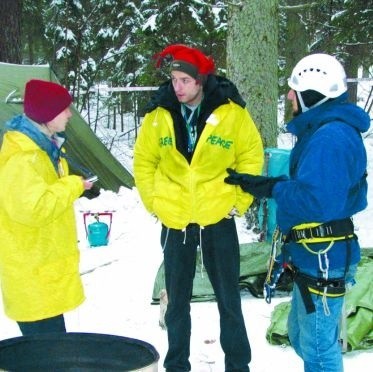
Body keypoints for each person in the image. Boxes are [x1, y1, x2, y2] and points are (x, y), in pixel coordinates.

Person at [225, 53, 370, 372]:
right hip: (313, 255)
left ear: (312, 94)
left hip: (323, 257)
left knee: (318, 351)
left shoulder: (330, 137)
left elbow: (318, 202)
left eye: (294, 90)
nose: (289, 96)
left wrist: (273, 189)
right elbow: (315, 188)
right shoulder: (323, 133)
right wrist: (266, 184)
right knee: (302, 338)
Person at [133, 44, 264, 372]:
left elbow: (251, 156)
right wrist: (155, 203)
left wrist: (239, 201)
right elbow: (144, 162)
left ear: (200, 81)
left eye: (184, 81)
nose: (177, 87)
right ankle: (176, 365)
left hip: (217, 218)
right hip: (175, 221)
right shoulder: (159, 115)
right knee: (177, 303)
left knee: (229, 302)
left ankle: (238, 365)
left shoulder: (231, 113)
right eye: (174, 79)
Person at [0, 79, 95, 336]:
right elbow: (34, 208)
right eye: (64, 109)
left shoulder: (43, 148)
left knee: (54, 351)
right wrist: (72, 186)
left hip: (43, 271)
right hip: (32, 275)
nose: (69, 114)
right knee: (46, 356)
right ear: (47, 113)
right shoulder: (23, 158)